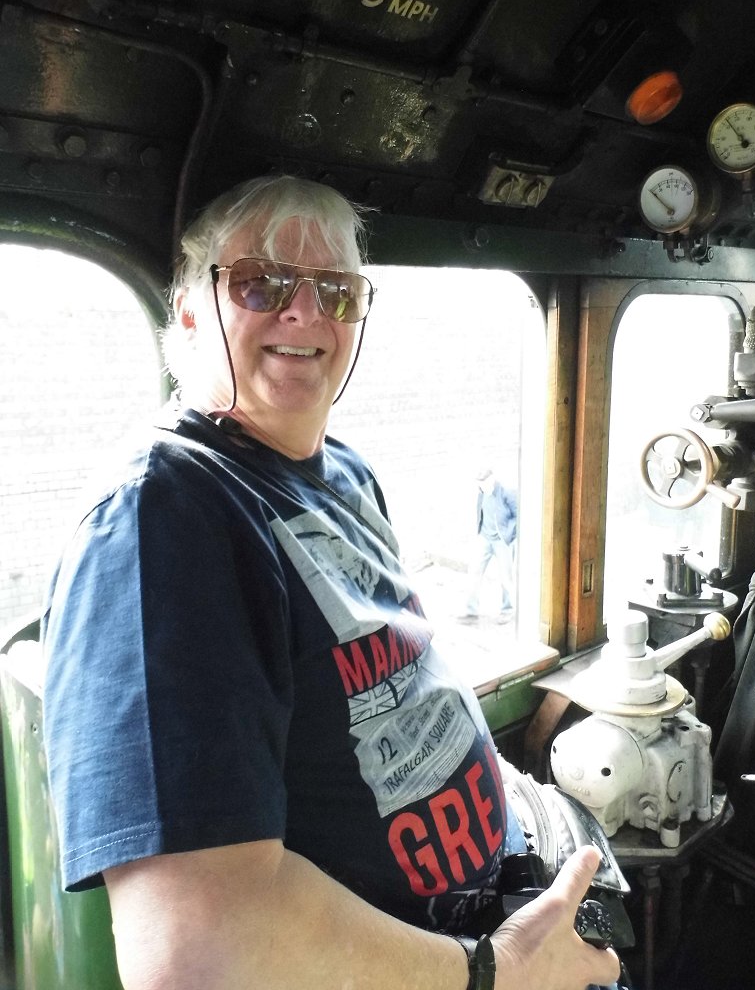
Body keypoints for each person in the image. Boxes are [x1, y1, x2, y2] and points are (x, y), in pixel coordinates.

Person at [41, 174, 621, 990]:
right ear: (190, 312)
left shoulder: (341, 470)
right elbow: (197, 956)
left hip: (500, 893)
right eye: (260, 283)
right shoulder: (160, 519)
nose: (306, 313)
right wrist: (503, 967)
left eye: (338, 292)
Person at [461, 469, 518, 624]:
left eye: (484, 484)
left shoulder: (506, 492)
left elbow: (518, 515)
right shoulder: (481, 492)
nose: (482, 488)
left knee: (506, 577)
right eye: (479, 484)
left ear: (492, 479)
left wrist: (509, 534)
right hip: (485, 538)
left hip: (502, 541)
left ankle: (508, 610)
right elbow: (481, 512)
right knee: (474, 572)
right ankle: (470, 611)